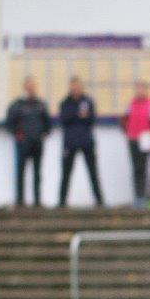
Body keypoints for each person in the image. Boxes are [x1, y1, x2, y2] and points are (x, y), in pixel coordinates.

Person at [58, 77, 105, 207]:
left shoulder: (88, 101)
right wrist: (77, 115)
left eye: (77, 86)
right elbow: (63, 119)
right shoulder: (65, 103)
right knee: (66, 173)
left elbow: (91, 119)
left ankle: (99, 201)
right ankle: (62, 202)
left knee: (93, 172)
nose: (75, 89)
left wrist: (80, 116)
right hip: (70, 142)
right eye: (73, 86)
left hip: (86, 142)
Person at [5, 76, 50, 208]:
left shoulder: (41, 104)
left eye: (33, 85)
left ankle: (37, 201)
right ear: (24, 87)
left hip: (37, 143)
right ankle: (20, 200)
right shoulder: (16, 105)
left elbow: (47, 123)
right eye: (28, 85)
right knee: (21, 172)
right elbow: (9, 124)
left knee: (37, 172)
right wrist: (17, 134)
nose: (31, 88)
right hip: (22, 144)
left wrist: (44, 134)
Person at [122, 81, 150, 207]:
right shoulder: (130, 104)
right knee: (136, 168)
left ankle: (144, 196)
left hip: (145, 139)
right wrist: (127, 132)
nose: (139, 91)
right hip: (132, 138)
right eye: (138, 89)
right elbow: (125, 119)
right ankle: (138, 196)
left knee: (144, 167)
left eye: (142, 89)